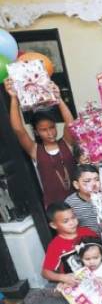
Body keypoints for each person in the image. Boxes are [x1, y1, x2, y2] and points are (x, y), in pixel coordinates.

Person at [41, 202, 98, 304]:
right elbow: (45, 272)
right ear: (54, 224)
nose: (72, 222)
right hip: (73, 288)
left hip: (92, 282)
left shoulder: (87, 233)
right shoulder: (55, 246)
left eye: (73, 218)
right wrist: (63, 278)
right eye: (65, 221)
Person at [4, 78, 77, 207]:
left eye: (52, 127)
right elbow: (18, 129)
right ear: (36, 132)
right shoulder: (35, 150)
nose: (50, 133)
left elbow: (71, 124)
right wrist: (14, 98)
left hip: (78, 202)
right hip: (54, 207)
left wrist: (58, 98)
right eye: (44, 130)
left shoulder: (66, 143)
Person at [65, 164, 102, 235]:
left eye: (97, 179)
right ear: (76, 185)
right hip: (85, 242)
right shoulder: (70, 203)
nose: (94, 184)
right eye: (87, 181)